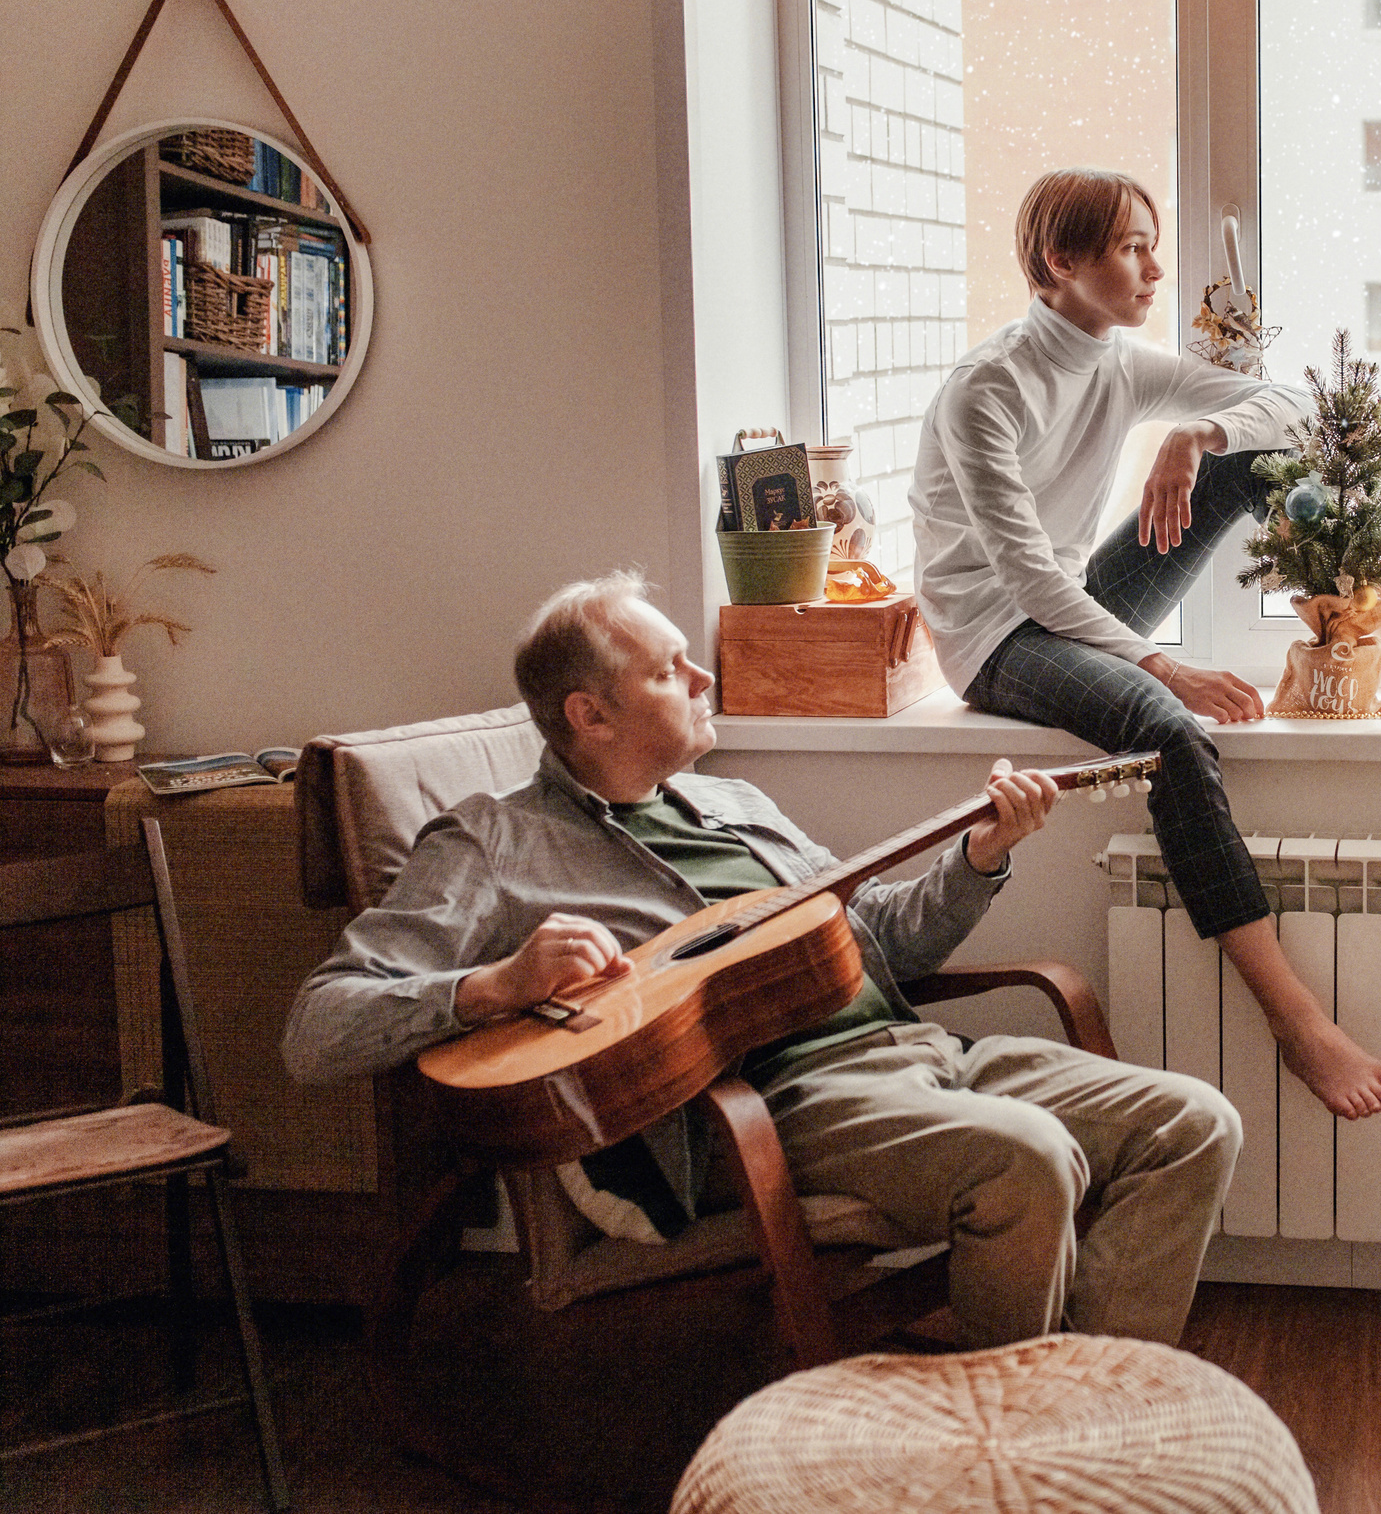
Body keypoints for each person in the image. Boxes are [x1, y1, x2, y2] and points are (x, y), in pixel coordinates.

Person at [281, 571, 1243, 1350]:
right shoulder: (493, 845)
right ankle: (1002, 1454)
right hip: (769, 1105)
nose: (703, 679)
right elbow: (318, 1027)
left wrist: (979, 857)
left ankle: (1074, 1410)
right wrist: (495, 985)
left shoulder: (736, 803)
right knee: (1026, 1160)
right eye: (670, 670)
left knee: (1195, 1122)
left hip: (921, 1054)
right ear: (591, 713)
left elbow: (879, 943)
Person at [908, 167, 1381, 1121]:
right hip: (996, 635)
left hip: (1073, 604)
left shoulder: (1118, 363)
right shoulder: (987, 389)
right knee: (1168, 726)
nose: (1152, 270)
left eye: (1152, 245)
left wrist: (1197, 432)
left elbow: (1290, 408)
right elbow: (1026, 582)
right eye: (1133, 247)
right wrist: (1163, 664)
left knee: (1248, 454)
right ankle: (1295, 1014)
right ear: (1062, 260)